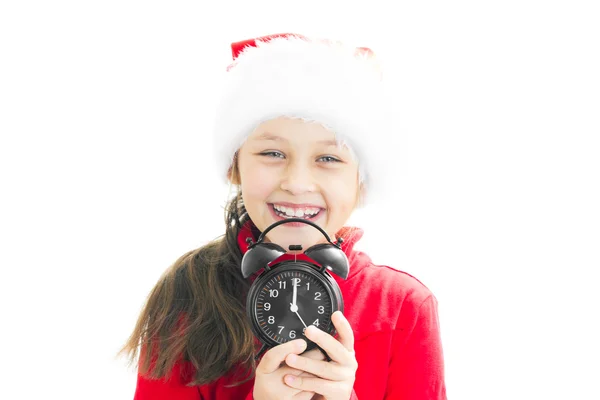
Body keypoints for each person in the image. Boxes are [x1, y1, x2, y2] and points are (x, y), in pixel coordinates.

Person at [121, 33, 447, 400]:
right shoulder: (186, 296)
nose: (296, 183)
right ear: (235, 166)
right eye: (273, 154)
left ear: (362, 182)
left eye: (328, 159)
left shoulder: (404, 307)